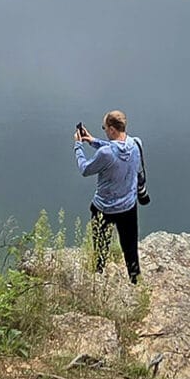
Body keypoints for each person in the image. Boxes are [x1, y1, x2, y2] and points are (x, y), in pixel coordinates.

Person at [74, 109, 143, 283]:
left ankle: (98, 280)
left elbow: (85, 169)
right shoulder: (136, 144)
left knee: (100, 249)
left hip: (104, 208)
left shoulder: (106, 154)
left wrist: (79, 146)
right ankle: (135, 281)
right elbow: (115, 148)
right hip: (128, 207)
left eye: (105, 127)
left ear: (112, 129)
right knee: (130, 248)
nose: (104, 130)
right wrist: (93, 141)